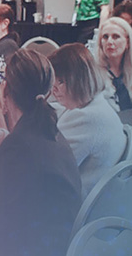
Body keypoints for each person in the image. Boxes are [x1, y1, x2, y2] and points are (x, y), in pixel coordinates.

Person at [0, 49, 82, 256]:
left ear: (6, 91)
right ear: (47, 91)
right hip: (61, 255)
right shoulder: (52, 132)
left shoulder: (20, 145)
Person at [48, 44, 126, 196]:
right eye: (53, 81)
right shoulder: (98, 105)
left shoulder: (85, 117)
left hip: (73, 206)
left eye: (61, 81)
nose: (54, 89)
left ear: (79, 80)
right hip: (93, 201)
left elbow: (51, 168)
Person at [96, 16, 132, 111]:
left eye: (116, 37)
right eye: (105, 37)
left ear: (127, 42)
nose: (110, 42)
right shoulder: (93, 75)